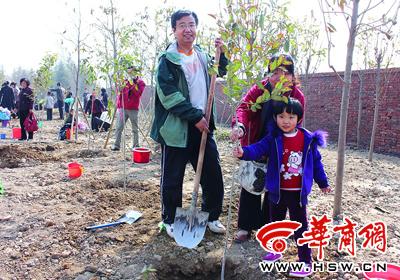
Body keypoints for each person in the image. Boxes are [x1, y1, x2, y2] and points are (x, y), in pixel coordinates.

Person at [150, 10, 229, 238]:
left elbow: (220, 70)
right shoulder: (167, 61)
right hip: (176, 131)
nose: (188, 29)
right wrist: (195, 117)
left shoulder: (203, 55)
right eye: (182, 25)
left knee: (212, 175)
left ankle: (211, 216)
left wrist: (221, 54)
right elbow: (169, 96)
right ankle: (171, 221)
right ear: (174, 30)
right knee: (172, 179)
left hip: (203, 128)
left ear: (196, 28)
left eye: (191, 24)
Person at [233, 98, 331, 278]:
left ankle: (305, 262)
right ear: (275, 118)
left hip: (297, 195)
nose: (286, 121)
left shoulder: (307, 139)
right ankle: (275, 251)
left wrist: (323, 183)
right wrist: (243, 153)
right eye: (281, 116)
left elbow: (317, 163)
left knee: (301, 227)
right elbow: (257, 148)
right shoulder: (273, 138)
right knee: (275, 225)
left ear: (298, 118)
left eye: (291, 117)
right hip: (276, 192)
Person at [230, 54, 306, 243]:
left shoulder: (297, 97)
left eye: (286, 73)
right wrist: (239, 126)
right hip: (255, 141)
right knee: (250, 183)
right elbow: (244, 108)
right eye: (275, 72)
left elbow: (296, 123)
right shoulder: (260, 89)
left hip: (279, 146)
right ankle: (245, 227)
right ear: (269, 73)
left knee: (274, 188)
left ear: (292, 76)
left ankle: (267, 227)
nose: (280, 77)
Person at [111, 67, 145, 151]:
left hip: (133, 108)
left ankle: (136, 146)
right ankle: (116, 145)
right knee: (119, 127)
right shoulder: (124, 81)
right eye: (128, 72)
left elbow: (138, 94)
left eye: (132, 72)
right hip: (122, 108)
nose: (130, 74)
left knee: (135, 128)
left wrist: (132, 84)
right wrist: (119, 86)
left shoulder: (140, 83)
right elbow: (119, 92)